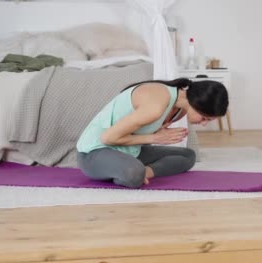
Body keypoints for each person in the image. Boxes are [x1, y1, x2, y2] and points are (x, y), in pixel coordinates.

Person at [76, 78, 228, 188]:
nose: (203, 123)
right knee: (134, 173)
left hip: (129, 150)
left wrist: (157, 132)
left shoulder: (180, 109)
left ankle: (143, 172)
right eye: (204, 118)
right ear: (196, 103)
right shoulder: (156, 104)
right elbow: (108, 138)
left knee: (188, 156)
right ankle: (131, 172)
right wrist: (155, 137)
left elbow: (138, 131)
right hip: (94, 152)